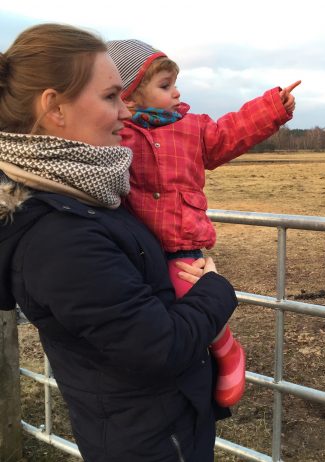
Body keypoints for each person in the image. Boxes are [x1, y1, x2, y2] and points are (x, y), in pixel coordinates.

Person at [0, 23, 238, 462]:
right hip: (150, 444)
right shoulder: (59, 235)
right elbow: (159, 346)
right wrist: (217, 289)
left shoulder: (87, 195)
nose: (127, 114)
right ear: (54, 108)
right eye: (111, 97)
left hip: (159, 426)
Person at [106, 38, 300, 407]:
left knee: (188, 294)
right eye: (165, 86)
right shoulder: (118, 134)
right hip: (137, 245)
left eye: (175, 83)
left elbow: (230, 132)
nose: (177, 92)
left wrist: (272, 107)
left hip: (182, 244)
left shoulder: (192, 128)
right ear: (128, 97)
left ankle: (227, 350)